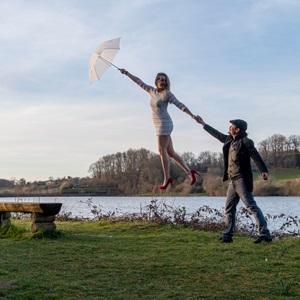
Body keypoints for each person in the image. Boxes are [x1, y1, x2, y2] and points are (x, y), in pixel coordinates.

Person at [194, 116, 272, 243]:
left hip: (241, 179)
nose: (229, 128)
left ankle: (265, 234)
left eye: (232, 126)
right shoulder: (228, 140)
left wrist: (264, 171)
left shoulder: (246, 142)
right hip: (232, 180)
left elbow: (256, 156)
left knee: (251, 206)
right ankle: (227, 235)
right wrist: (203, 123)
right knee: (229, 208)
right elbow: (216, 134)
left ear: (237, 129)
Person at [119, 68, 200, 189]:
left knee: (162, 151)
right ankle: (189, 172)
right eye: (160, 80)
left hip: (164, 124)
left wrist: (192, 115)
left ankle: (167, 178)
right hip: (158, 124)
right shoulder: (151, 91)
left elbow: (180, 105)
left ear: (167, 83)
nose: (163, 82)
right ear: (156, 81)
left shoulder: (167, 94)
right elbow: (138, 81)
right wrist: (126, 73)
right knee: (171, 153)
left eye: (165, 80)